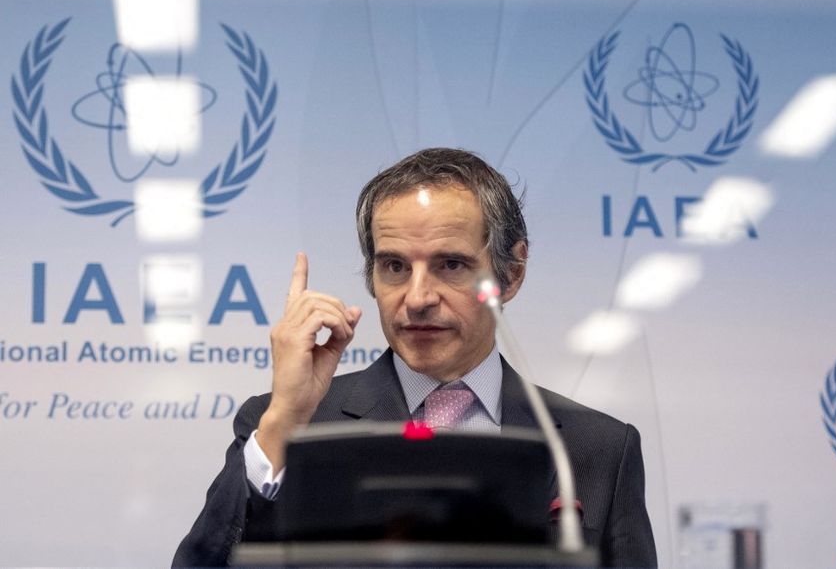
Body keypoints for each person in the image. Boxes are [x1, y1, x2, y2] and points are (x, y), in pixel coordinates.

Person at [173, 147, 657, 567]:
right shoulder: (284, 426)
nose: (418, 296)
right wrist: (285, 421)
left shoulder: (600, 450)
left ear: (511, 273)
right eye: (395, 267)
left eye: (451, 264)